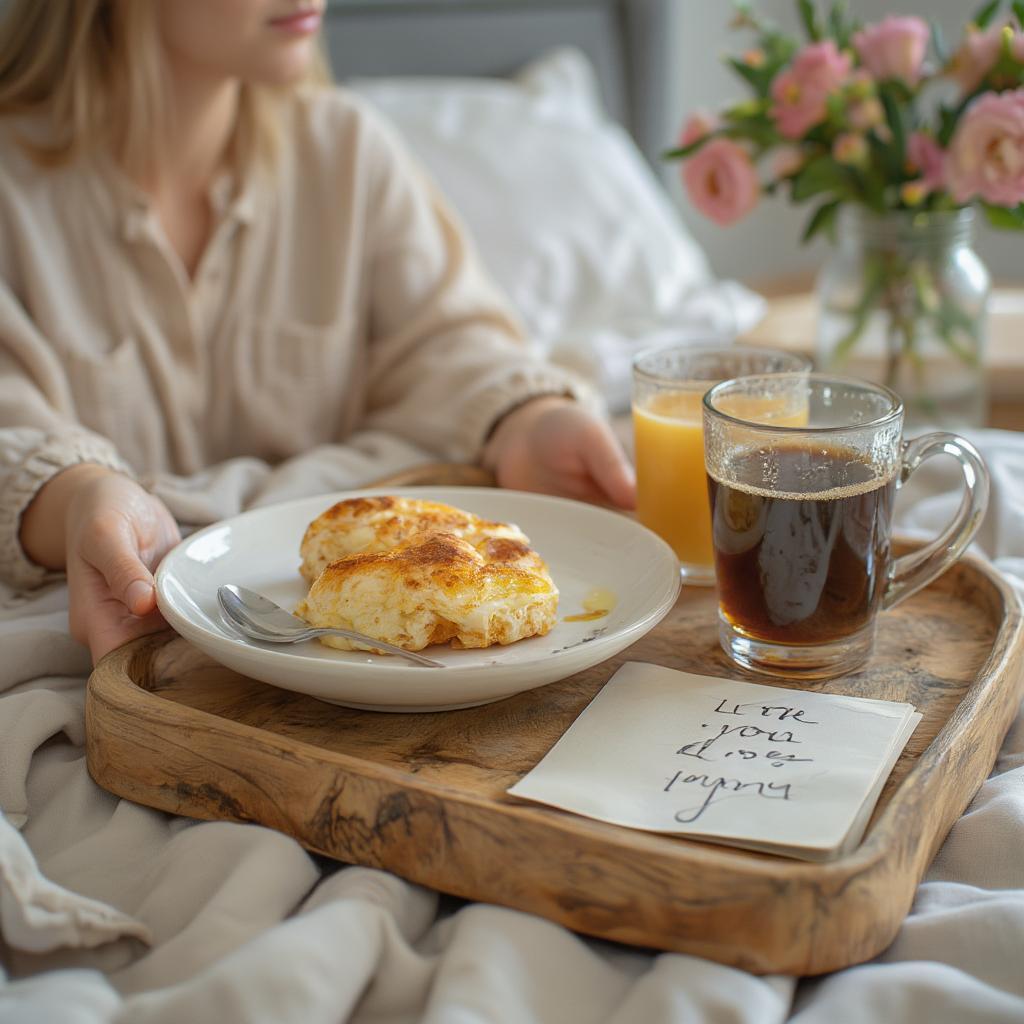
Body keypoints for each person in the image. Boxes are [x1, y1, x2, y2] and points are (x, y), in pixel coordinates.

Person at [0, 0, 636, 664]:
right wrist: (78, 498)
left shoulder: (347, 150)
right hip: (119, 628)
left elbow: (449, 339)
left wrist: (528, 419)